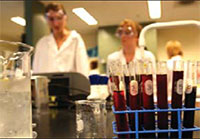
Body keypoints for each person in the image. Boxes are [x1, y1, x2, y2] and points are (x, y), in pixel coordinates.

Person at [32, 3, 89, 77]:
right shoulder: (42, 43)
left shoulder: (75, 39)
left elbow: (83, 69)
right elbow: (36, 71)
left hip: (71, 86)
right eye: (51, 19)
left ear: (65, 17)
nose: (56, 23)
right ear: (46, 20)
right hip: (47, 86)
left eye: (59, 18)